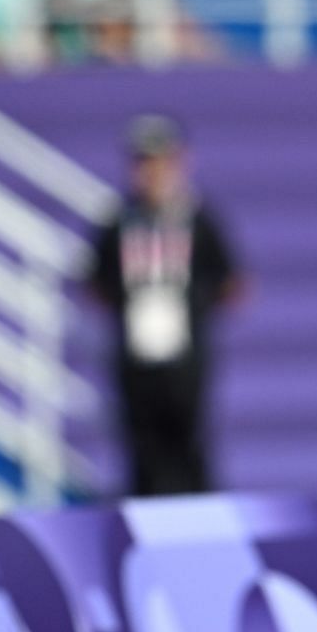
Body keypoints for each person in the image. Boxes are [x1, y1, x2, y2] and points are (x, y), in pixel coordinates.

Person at [86, 115, 243, 497]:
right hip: (135, 357)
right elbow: (94, 281)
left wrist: (193, 310)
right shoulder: (119, 219)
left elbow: (232, 281)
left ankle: (200, 527)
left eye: (161, 161)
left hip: (185, 359)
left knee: (190, 448)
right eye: (144, 162)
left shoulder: (198, 219)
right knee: (142, 453)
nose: (152, 172)